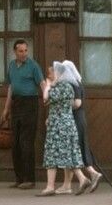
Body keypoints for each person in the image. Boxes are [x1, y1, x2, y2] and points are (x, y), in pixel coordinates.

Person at [36, 62, 91, 196]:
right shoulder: (69, 87)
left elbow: (45, 98)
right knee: (68, 153)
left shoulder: (60, 87)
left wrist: (48, 85)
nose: (49, 76)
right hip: (68, 123)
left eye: (52, 73)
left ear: (59, 74)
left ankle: (50, 186)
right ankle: (82, 179)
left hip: (57, 125)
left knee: (51, 154)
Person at [1, 40, 46, 190]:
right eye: (21, 51)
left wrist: (47, 96)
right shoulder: (12, 66)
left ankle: (29, 179)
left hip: (30, 103)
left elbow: (42, 83)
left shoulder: (33, 65)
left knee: (26, 142)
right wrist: (6, 108)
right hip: (16, 103)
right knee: (16, 143)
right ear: (15, 52)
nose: (24, 53)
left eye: (26, 50)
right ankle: (19, 178)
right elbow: (11, 87)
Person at [57, 60, 103, 193]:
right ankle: (67, 184)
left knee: (73, 150)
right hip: (79, 119)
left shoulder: (72, 84)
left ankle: (92, 173)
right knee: (75, 149)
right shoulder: (78, 82)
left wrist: (63, 103)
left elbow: (77, 103)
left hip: (75, 119)